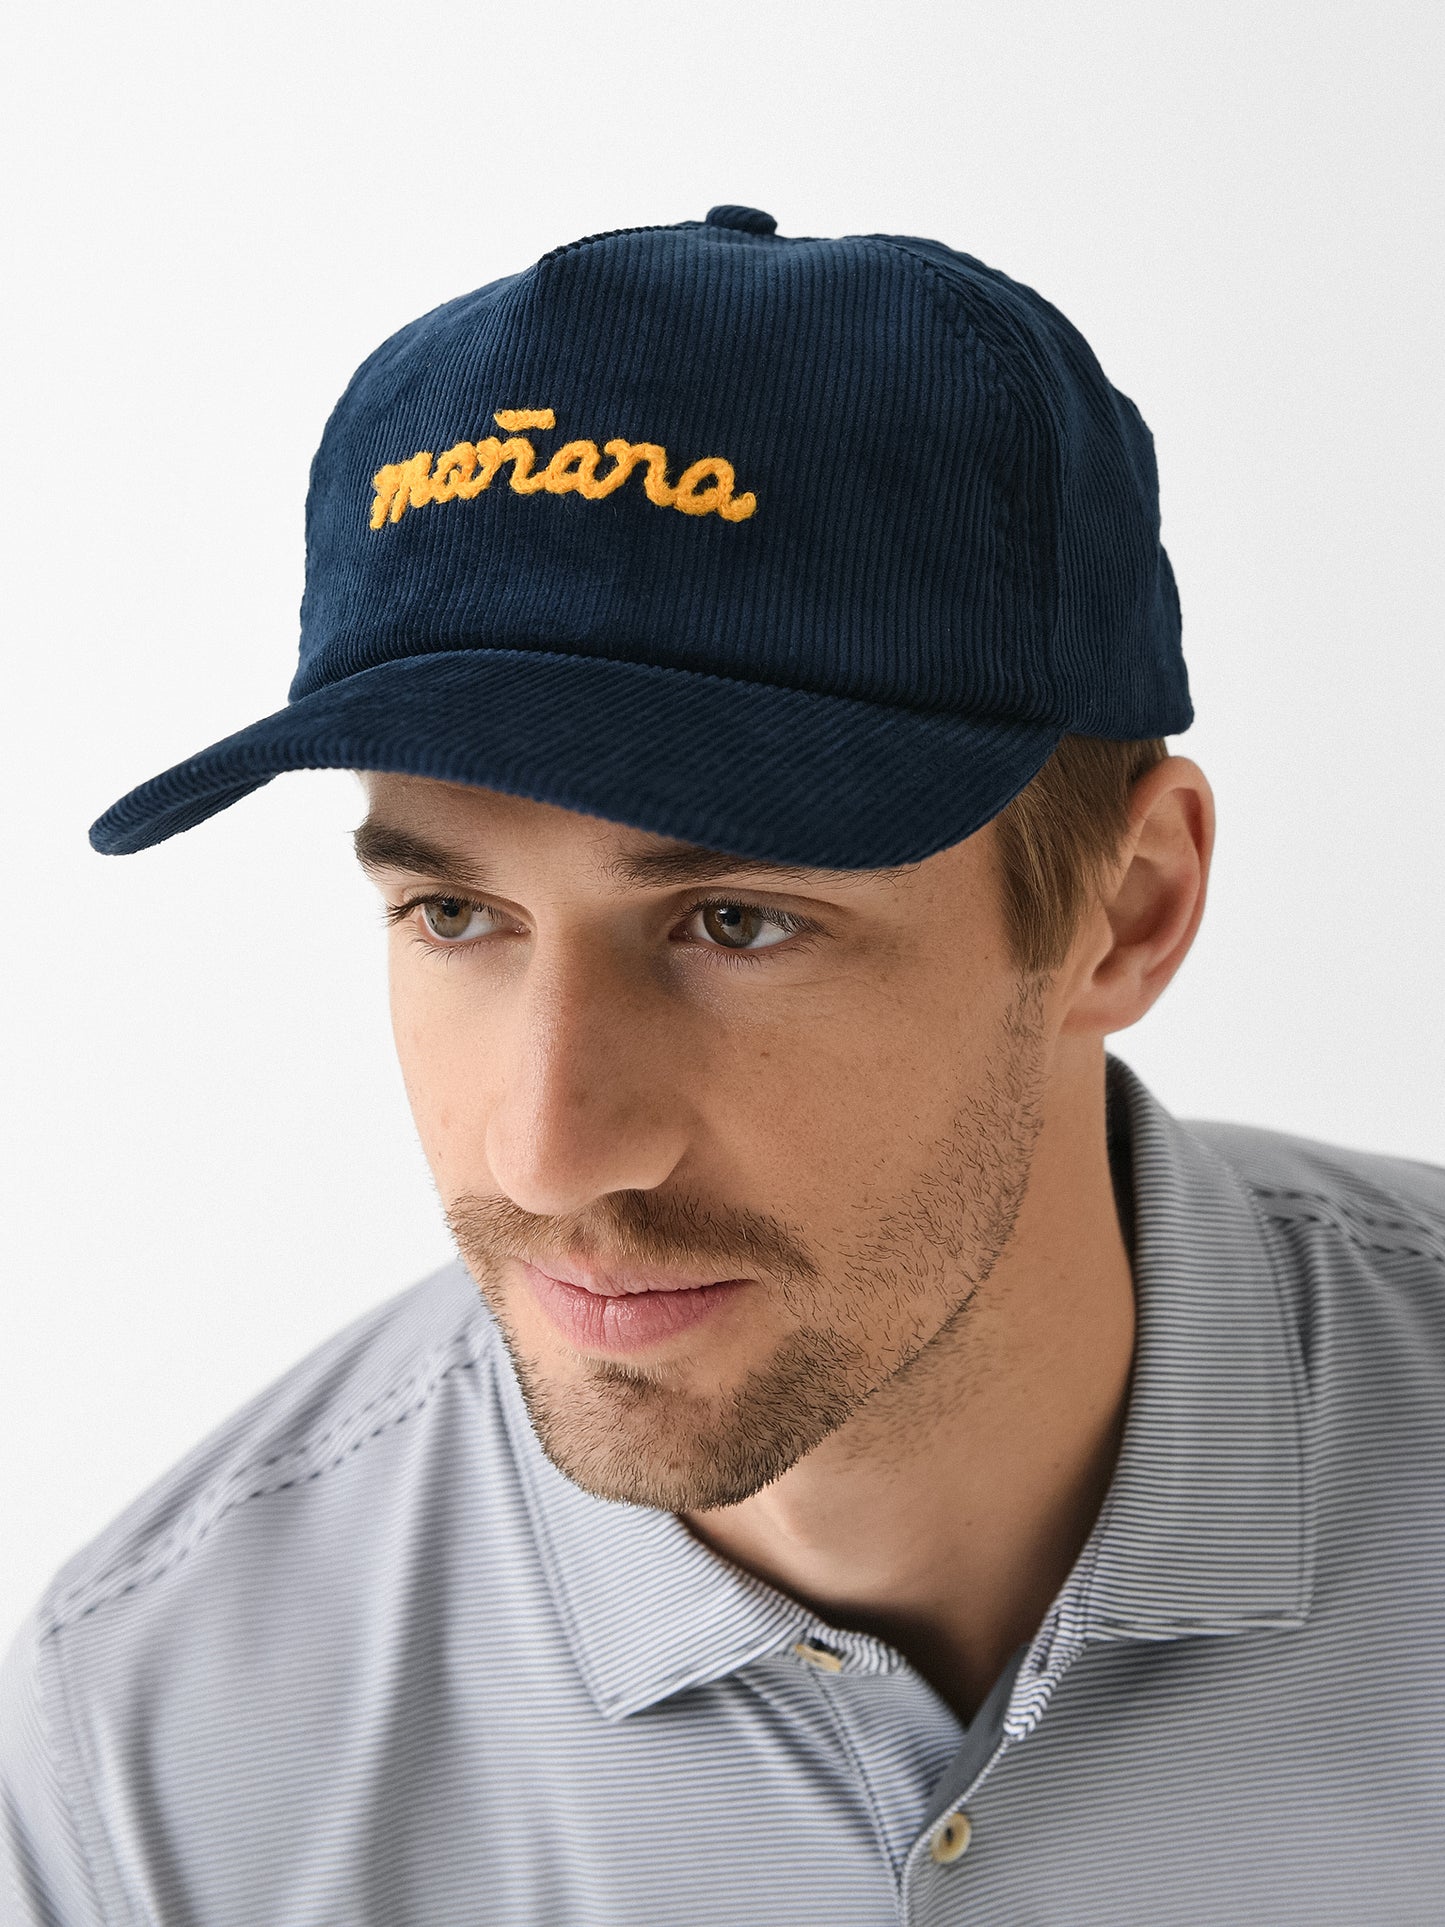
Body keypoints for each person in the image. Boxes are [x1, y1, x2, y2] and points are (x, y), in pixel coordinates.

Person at [3, 206, 1441, 1926]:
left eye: (737, 922)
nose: (548, 1151)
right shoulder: (158, 1756)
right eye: (455, 914)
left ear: (1127, 911)